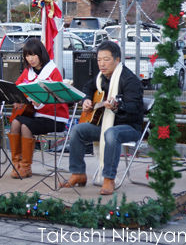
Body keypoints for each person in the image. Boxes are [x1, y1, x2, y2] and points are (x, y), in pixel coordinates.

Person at [61, 40, 144, 195]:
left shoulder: (130, 81)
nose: (101, 64)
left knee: (112, 133)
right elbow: (87, 87)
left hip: (129, 127)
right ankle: (78, 173)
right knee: (77, 130)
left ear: (117, 59)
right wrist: (86, 99)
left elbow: (133, 109)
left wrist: (117, 106)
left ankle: (108, 178)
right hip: (104, 124)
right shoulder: (101, 78)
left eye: (106, 59)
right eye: (99, 60)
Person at [9, 38, 69, 178]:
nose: (30, 59)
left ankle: (26, 167)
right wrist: (17, 100)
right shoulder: (28, 71)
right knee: (15, 122)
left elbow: (58, 99)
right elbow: (17, 89)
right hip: (35, 115)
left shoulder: (53, 72)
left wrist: (41, 103)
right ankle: (16, 164)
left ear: (41, 54)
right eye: (27, 55)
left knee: (25, 127)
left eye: (33, 55)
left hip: (54, 117)